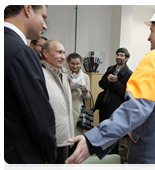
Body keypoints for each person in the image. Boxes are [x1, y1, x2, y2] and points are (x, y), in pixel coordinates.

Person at [63, 6, 155, 170]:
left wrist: (93, 139)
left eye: (151, 31)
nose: (148, 37)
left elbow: (136, 108)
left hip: (150, 155)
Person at [4, 5, 57, 170]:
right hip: (19, 157)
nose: (45, 26)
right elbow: (39, 115)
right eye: (43, 17)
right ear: (28, 9)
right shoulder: (21, 52)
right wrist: (50, 152)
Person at [41, 39, 75, 170]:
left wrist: (70, 135)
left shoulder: (64, 74)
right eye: (59, 52)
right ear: (45, 53)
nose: (63, 56)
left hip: (65, 141)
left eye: (64, 53)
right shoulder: (39, 74)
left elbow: (67, 109)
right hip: (49, 143)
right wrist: (43, 144)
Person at [95, 47, 132, 154]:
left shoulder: (129, 74)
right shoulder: (110, 69)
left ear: (127, 58)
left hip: (116, 109)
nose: (118, 57)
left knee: (112, 136)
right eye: (117, 55)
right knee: (102, 132)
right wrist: (107, 80)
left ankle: (111, 158)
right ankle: (101, 155)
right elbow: (101, 84)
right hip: (104, 106)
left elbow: (126, 92)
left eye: (121, 55)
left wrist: (115, 83)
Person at [66, 52, 91, 137]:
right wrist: (68, 87)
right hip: (65, 109)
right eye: (72, 63)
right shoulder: (63, 75)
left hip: (78, 112)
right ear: (68, 63)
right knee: (65, 136)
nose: (75, 66)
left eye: (77, 64)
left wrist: (85, 92)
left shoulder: (85, 77)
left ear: (80, 64)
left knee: (76, 137)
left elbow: (87, 98)